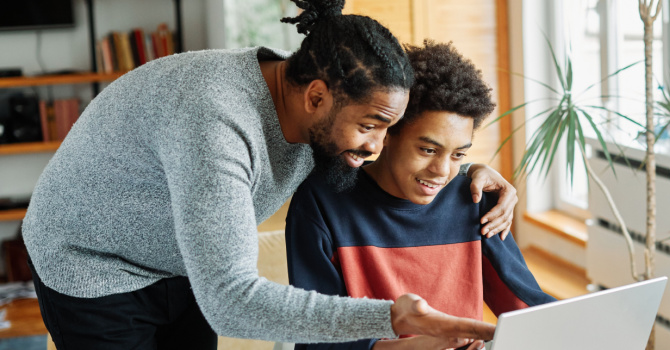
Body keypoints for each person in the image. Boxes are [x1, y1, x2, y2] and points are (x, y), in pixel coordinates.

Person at [21, 1, 516, 348]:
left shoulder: (323, 107)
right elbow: (231, 301)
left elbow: (396, 159)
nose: (375, 146)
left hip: (183, 260)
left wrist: (464, 172)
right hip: (94, 262)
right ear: (316, 97)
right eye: (371, 127)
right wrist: (392, 317)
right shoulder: (216, 124)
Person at [285, 40, 557, 350]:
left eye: (458, 155)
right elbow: (316, 337)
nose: (442, 170)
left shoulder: (475, 198)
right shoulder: (322, 202)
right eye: (428, 150)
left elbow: (531, 311)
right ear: (387, 133)